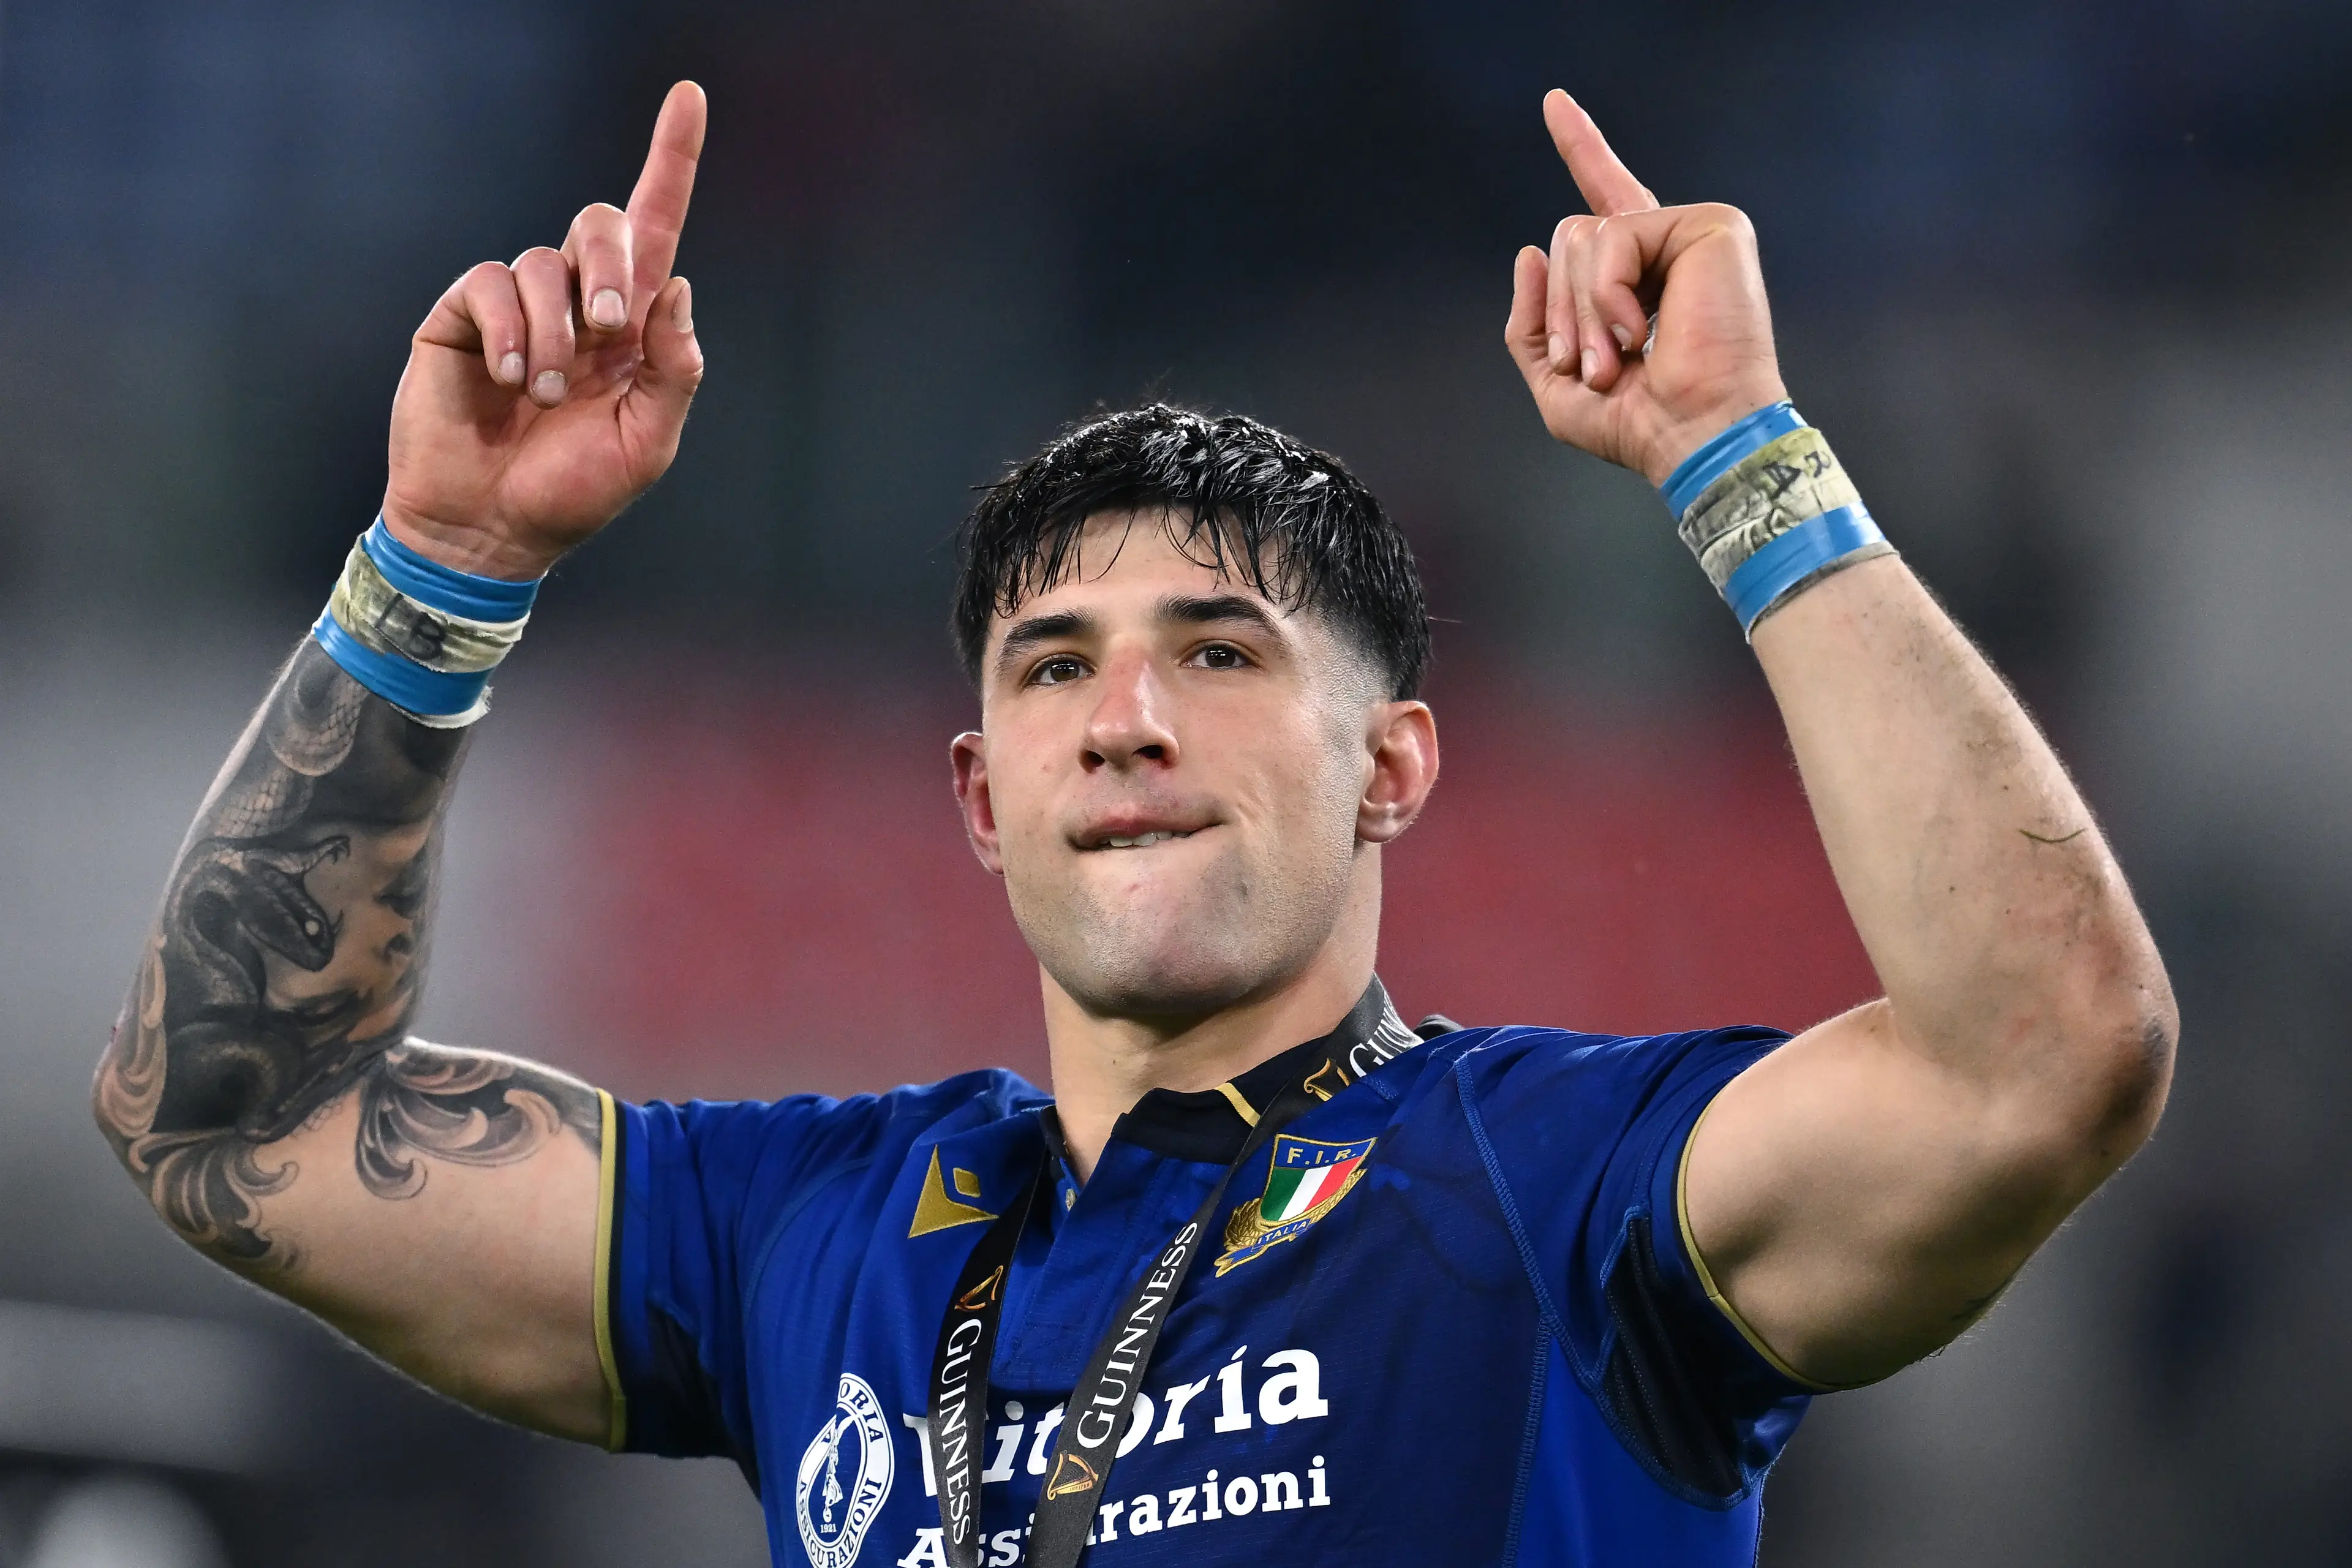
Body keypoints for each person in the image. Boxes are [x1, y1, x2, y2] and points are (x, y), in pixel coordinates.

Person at [93, 80, 2176, 1567]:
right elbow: (225, 1122)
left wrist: (1739, 456)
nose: (1126, 720)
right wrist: (444, 565)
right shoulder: (816, 1235)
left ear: (1394, 769)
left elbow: (2045, 1056)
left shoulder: (1556, 1187)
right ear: (980, 802)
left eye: (1222, 652)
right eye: (1053, 667)